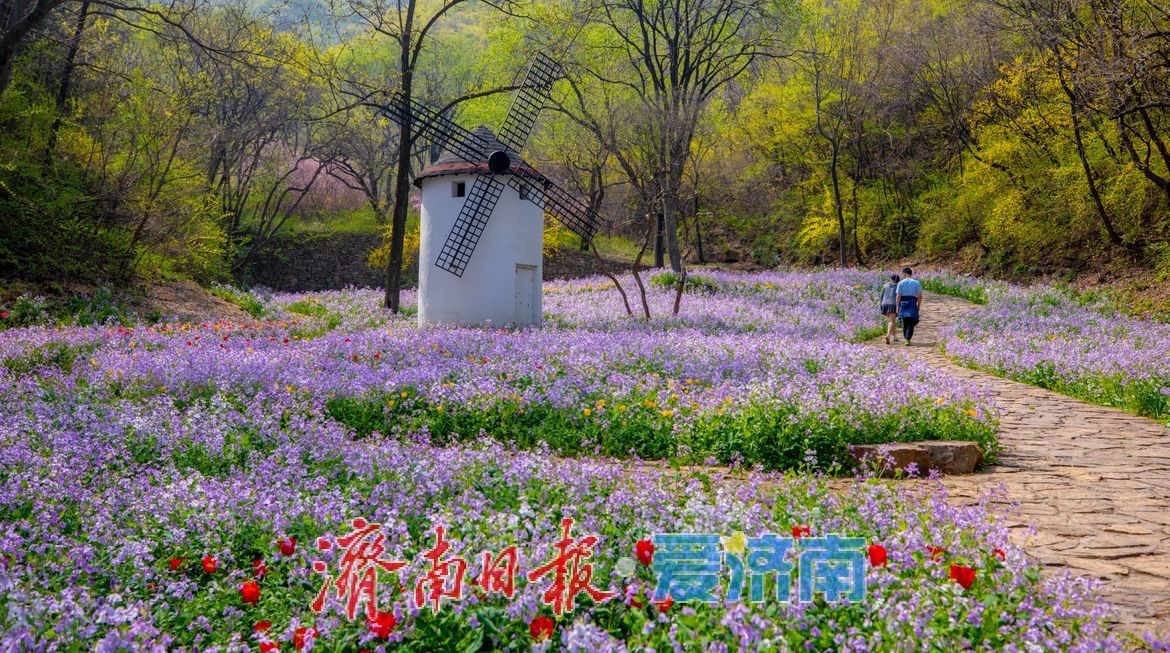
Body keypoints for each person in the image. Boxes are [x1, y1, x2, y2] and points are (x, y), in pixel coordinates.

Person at [895, 267, 923, 346]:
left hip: (903, 303)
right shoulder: (916, 283)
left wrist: (897, 306)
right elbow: (919, 296)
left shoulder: (900, 283)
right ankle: (907, 338)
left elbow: (898, 296)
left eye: (902, 274)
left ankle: (906, 337)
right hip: (912, 302)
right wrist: (918, 305)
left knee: (905, 321)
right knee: (911, 321)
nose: (902, 275)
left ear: (905, 273)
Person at [878, 273, 899, 344]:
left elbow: (881, 296)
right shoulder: (898, 286)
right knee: (891, 321)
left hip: (885, 304)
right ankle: (888, 335)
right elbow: (898, 297)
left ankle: (895, 336)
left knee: (891, 321)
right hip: (893, 304)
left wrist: (881, 305)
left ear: (891, 279)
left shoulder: (885, 285)